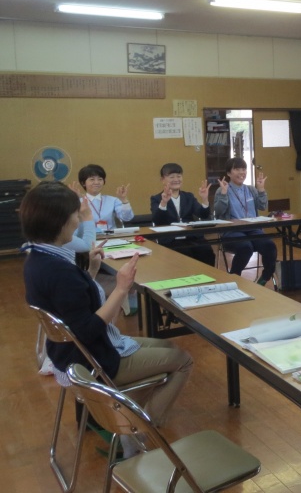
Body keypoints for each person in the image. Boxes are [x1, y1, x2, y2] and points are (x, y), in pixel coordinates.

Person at [21, 182, 193, 457]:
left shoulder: (37, 259)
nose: (78, 220)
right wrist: (122, 288)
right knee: (182, 360)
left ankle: (123, 418)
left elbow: (74, 306)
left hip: (73, 353)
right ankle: (137, 433)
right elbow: (88, 329)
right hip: (92, 358)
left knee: (167, 348)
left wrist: (90, 271)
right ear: (59, 222)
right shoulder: (59, 271)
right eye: (75, 215)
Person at [213, 157, 277, 284]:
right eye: (237, 169)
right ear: (229, 173)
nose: (241, 172)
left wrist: (261, 190)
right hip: (232, 231)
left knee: (270, 246)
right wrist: (224, 194)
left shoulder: (251, 189)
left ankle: (265, 277)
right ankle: (234, 278)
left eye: (244, 169)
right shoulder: (222, 189)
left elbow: (262, 206)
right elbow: (219, 211)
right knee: (246, 247)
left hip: (253, 229)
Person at [149, 163, 215, 266]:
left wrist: (205, 199)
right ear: (163, 180)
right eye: (172, 177)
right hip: (171, 240)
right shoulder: (157, 198)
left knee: (207, 252)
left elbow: (203, 214)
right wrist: (164, 202)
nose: (176, 179)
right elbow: (157, 220)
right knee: (185, 254)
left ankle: (208, 276)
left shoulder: (189, 197)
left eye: (179, 176)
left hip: (191, 237)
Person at [77, 164, 134, 232]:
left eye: (100, 179)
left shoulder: (113, 200)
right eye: (92, 179)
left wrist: (124, 200)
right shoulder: (78, 202)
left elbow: (127, 218)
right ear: (83, 183)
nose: (96, 182)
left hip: (110, 236)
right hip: (88, 236)